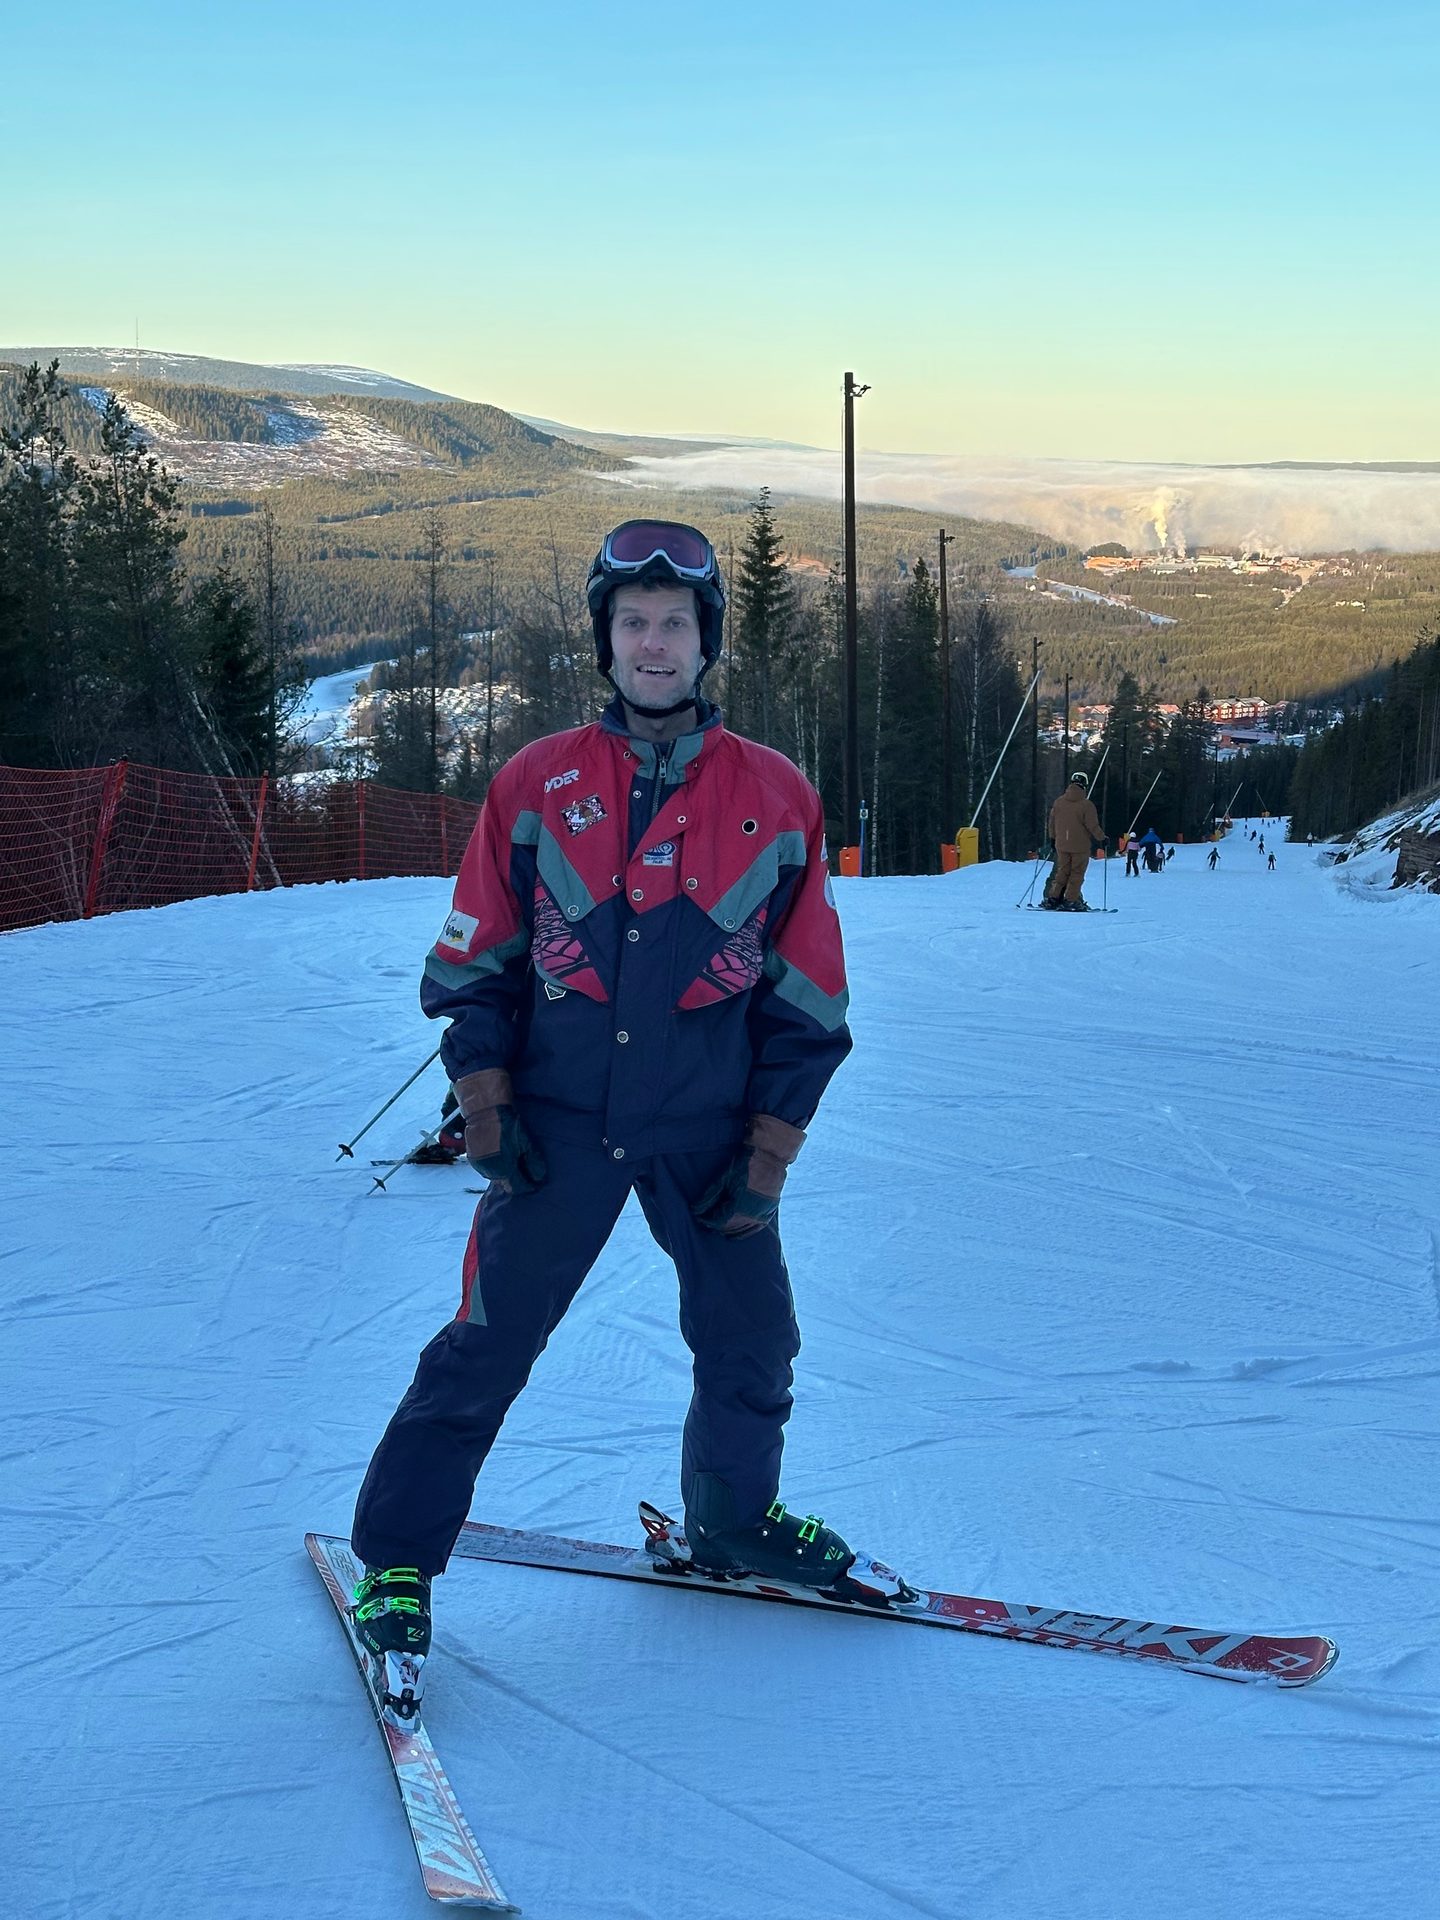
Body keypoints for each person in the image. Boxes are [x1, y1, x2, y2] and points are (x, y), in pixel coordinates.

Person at [349, 519, 872, 1719]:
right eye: (632, 622)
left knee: (753, 1347)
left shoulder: (776, 795)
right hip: (560, 1123)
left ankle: (731, 1522)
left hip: (706, 1132)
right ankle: (394, 1567)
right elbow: (476, 958)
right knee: (486, 1346)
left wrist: (768, 1154)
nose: (652, 643)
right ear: (606, 638)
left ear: (706, 642)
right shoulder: (535, 784)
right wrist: (485, 1101)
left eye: (673, 624)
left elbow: (812, 998)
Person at [1042, 771, 1106, 909]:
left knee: (1062, 872)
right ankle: (1071, 900)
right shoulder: (1086, 805)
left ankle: (1053, 898)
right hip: (1080, 846)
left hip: (1061, 844)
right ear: (1085, 785)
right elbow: (1092, 826)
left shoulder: (1059, 802)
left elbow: (1052, 822)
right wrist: (1102, 838)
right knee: (1076, 873)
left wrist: (1053, 838)